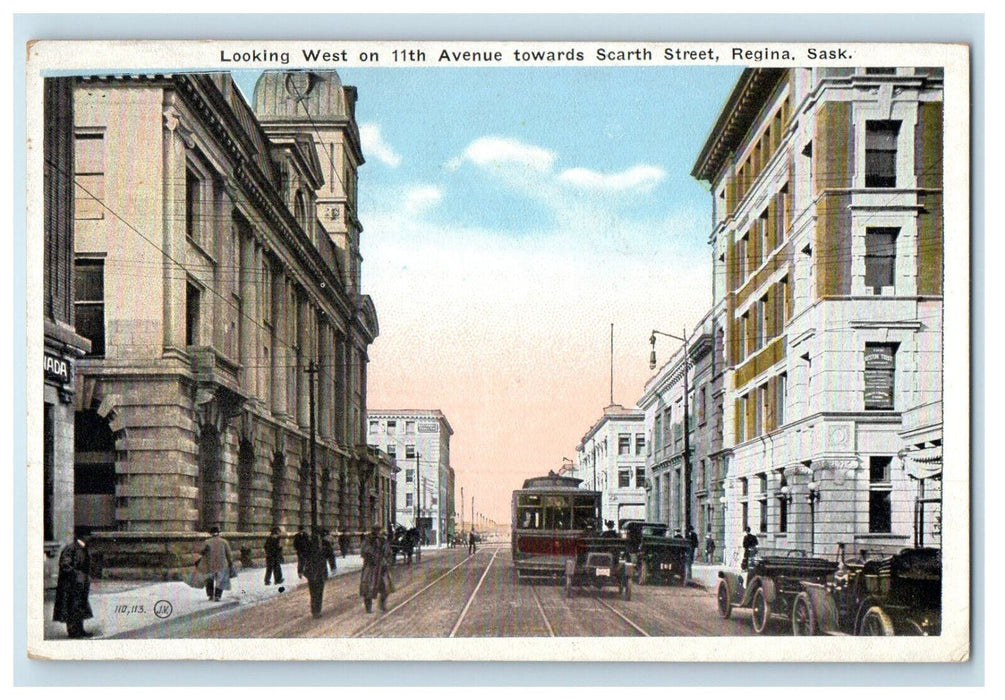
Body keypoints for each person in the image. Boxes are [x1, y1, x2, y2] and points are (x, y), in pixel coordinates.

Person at [53, 537, 93, 638]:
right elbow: (65, 565)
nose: (90, 538)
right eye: (88, 536)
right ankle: (73, 631)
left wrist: (86, 578)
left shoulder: (83, 548)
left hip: (80, 584)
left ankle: (80, 629)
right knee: (71, 607)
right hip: (70, 585)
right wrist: (77, 575)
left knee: (80, 607)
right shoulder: (71, 548)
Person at [359, 524, 393, 613]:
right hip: (371, 566)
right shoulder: (368, 539)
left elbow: (387, 551)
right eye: (376, 530)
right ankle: (368, 608)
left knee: (385, 587)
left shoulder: (382, 540)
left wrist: (386, 559)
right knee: (368, 588)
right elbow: (364, 551)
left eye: (378, 530)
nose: (377, 532)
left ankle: (382, 605)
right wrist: (373, 555)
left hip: (381, 567)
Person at [199, 526, 235, 602]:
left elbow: (201, 551)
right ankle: (218, 596)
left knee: (209, 580)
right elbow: (228, 554)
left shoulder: (207, 542)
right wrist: (230, 563)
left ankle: (211, 595)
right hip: (222, 564)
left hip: (210, 564)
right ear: (218, 533)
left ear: (211, 533)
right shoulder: (224, 542)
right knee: (220, 580)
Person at [303, 530, 329, 618]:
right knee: (318, 592)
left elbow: (304, 558)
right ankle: (317, 610)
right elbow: (328, 556)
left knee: (313, 592)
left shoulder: (309, 546)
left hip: (312, 573)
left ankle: (315, 610)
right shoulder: (323, 547)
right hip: (318, 573)